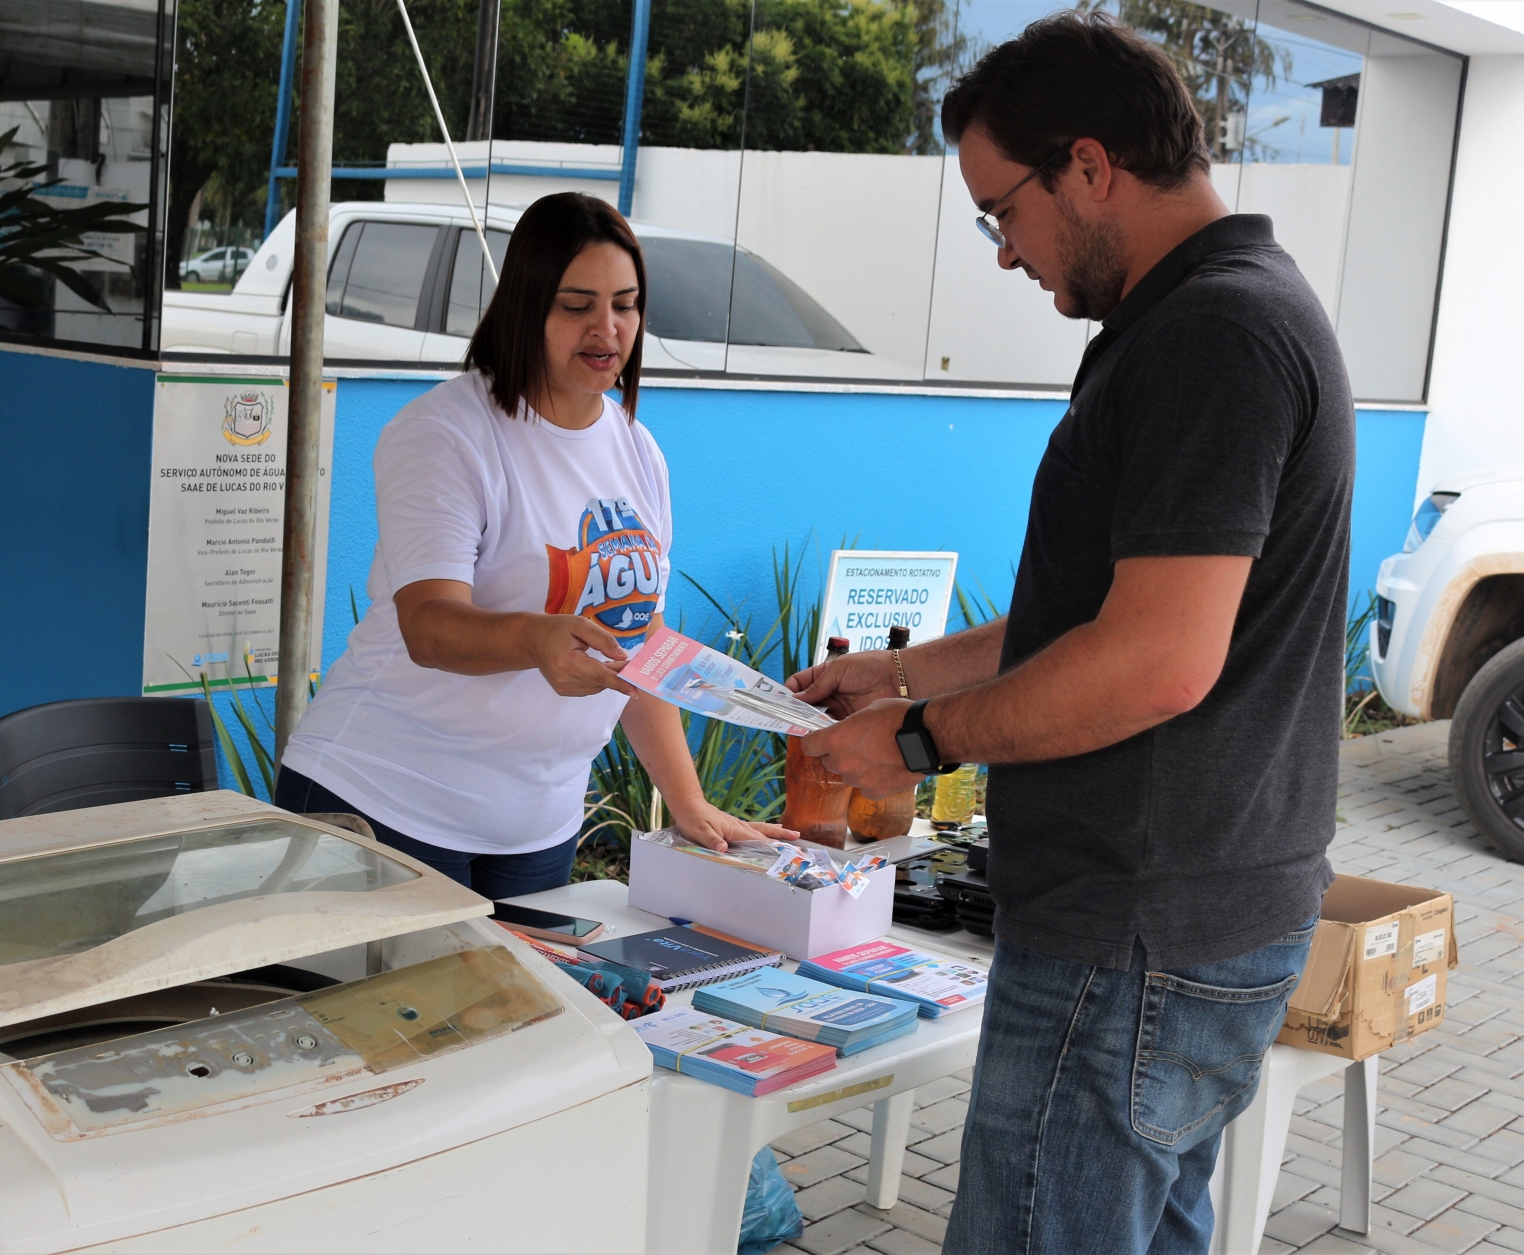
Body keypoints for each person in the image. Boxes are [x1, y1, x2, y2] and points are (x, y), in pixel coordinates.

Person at [787, 14, 1353, 1254]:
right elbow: (1100, 617)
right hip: (1183, 919)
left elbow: (1154, 662)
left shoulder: (1211, 336)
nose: (1003, 252)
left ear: (1088, 167)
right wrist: (899, 671)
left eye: (1002, 211)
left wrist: (920, 739)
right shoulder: (1200, 318)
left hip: (1133, 933)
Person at [275, 192, 791, 898]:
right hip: (384, 802)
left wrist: (688, 799)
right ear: (526, 307)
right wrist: (535, 638)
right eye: (577, 305)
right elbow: (428, 625)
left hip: (538, 829)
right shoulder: (445, 434)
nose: (607, 329)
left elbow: (636, 641)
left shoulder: (639, 450)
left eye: (626, 305)